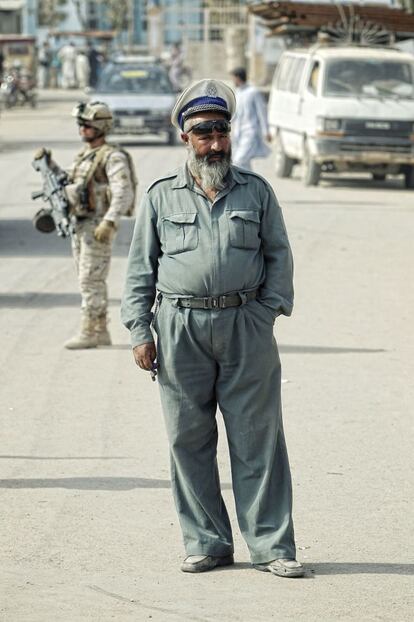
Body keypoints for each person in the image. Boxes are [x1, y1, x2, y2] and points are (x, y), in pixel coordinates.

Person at [121, 79, 304, 578]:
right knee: (188, 438)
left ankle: (272, 546)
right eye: (204, 133)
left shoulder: (256, 191)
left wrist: (267, 312)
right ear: (185, 136)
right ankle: (206, 542)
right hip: (179, 326)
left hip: (246, 325)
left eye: (222, 131)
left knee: (258, 438)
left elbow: (279, 255)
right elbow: (140, 268)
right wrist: (141, 330)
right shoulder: (161, 196)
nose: (216, 142)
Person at [35, 102, 136, 349]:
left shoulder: (112, 156)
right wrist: (48, 163)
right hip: (80, 225)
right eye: (80, 124)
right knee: (85, 279)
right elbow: (68, 182)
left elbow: (124, 192)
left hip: (97, 226)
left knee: (91, 280)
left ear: (101, 126)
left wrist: (110, 221)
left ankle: (91, 330)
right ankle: (98, 329)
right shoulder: (84, 156)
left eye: (87, 125)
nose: (82, 129)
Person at [230, 67, 271, 171]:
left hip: (251, 132)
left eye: (234, 78)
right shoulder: (238, 92)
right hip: (239, 133)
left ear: (238, 78)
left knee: (239, 160)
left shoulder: (253, 92)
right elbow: (235, 114)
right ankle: (249, 184)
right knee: (242, 162)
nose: (233, 81)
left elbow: (262, 113)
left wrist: (266, 131)